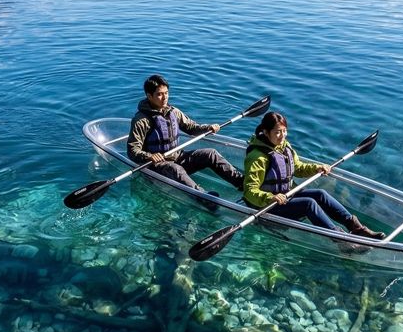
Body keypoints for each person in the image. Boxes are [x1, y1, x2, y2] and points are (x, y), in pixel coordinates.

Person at [243, 111, 386, 239]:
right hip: (267, 204)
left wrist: (317, 168)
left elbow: (297, 168)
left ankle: (357, 228)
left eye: (285, 131)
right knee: (308, 204)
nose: (282, 136)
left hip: (285, 195)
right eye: (278, 132)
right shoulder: (258, 157)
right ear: (266, 133)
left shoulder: (284, 146)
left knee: (320, 194)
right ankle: (340, 239)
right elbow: (249, 191)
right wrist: (270, 197)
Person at [127, 74, 243, 194]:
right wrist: (149, 156)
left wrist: (208, 128)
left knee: (211, 154)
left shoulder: (174, 112)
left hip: (177, 157)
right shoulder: (141, 120)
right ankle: (203, 198)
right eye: (159, 94)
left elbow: (191, 127)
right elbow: (132, 150)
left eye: (166, 93)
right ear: (149, 96)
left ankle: (242, 183)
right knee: (176, 169)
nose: (164, 97)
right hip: (155, 165)